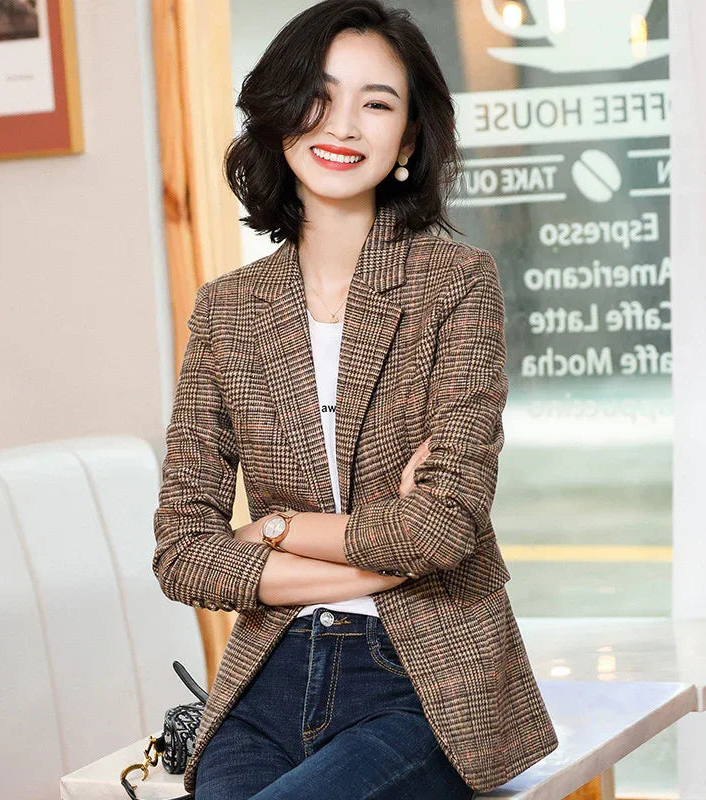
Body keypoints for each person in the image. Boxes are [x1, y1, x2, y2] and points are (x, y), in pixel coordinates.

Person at [152, 1, 559, 798]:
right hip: (265, 680)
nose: (343, 126)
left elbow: (443, 528)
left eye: (376, 103)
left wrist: (273, 530)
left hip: (417, 682)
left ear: (407, 140)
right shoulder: (228, 310)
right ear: (278, 119)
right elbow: (181, 550)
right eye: (320, 97)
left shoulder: (457, 284)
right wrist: (385, 558)